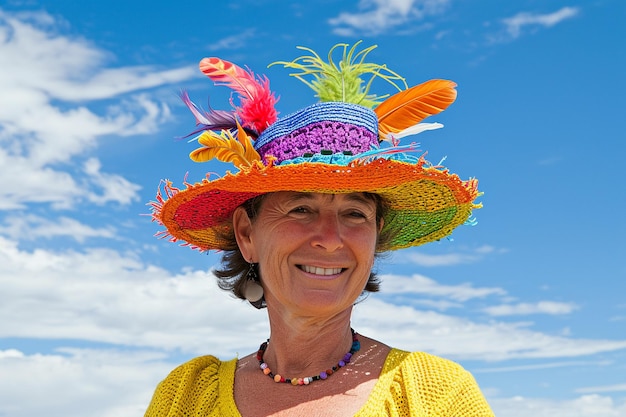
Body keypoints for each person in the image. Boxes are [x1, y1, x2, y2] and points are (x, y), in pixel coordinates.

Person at [145, 42, 493, 416]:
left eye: (355, 214)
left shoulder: (436, 395)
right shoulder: (187, 396)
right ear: (247, 234)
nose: (329, 240)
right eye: (301, 209)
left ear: (375, 235)